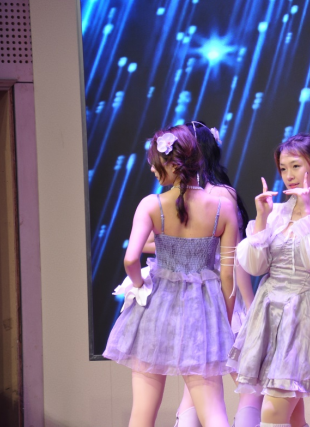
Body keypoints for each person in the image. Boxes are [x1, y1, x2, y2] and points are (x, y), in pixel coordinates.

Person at [104, 125, 238, 427]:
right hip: (203, 312)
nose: (152, 169)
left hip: (156, 309)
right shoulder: (224, 208)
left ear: (174, 165)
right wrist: (224, 322)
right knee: (214, 413)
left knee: (142, 414)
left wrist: (139, 286)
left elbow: (130, 259)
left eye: (156, 163)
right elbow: (227, 276)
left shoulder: (151, 205)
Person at [229, 133, 310, 427]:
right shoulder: (277, 212)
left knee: (273, 412)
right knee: (294, 417)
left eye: (296, 166)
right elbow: (255, 266)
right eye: (283, 168)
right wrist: (262, 218)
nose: (289, 175)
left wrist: (307, 213)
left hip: (304, 314)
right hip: (268, 313)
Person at [142, 122, 262, 427]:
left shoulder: (215, 195)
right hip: (210, 296)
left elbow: (232, 258)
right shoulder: (201, 196)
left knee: (236, 384)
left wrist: (247, 305)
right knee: (203, 385)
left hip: (220, 296)